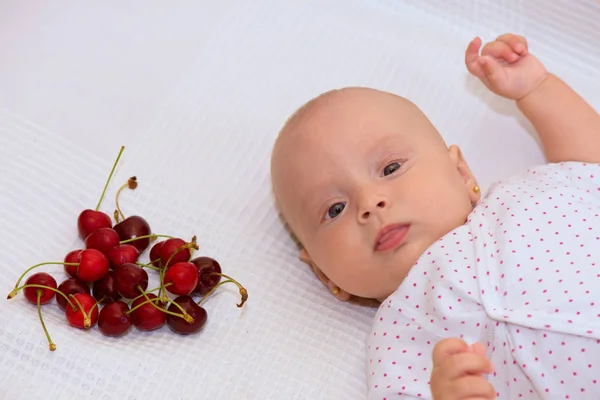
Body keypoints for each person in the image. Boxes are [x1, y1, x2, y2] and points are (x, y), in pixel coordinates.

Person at [269, 33, 600, 399]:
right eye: (335, 209)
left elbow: (589, 165)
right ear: (322, 271)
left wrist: (537, 89)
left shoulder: (522, 197)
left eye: (391, 167)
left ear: (461, 174)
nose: (370, 202)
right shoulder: (397, 342)